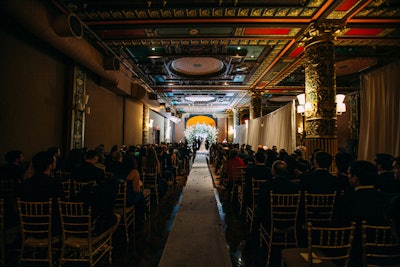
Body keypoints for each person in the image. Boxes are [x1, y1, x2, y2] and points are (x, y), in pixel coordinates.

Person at [333, 160, 392, 266]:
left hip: (353, 254)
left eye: (349, 174)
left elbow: (337, 227)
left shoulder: (345, 200)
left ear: (355, 178)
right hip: (385, 252)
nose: (348, 176)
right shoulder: (388, 198)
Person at [18, 151, 64, 234]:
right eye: (54, 161)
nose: (55, 163)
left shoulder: (25, 184)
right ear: (49, 165)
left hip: (28, 226)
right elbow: (60, 205)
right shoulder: (55, 184)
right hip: (50, 227)